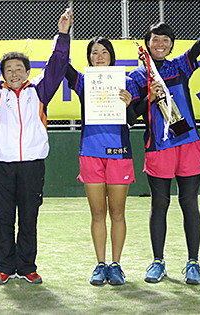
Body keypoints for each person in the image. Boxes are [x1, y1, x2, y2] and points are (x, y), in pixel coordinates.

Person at [128, 0, 200, 285]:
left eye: (166, 40)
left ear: (171, 45)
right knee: (160, 205)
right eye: (156, 39)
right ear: (147, 43)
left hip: (188, 144)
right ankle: (158, 262)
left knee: (190, 203)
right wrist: (147, 98)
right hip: (158, 148)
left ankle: (193, 263)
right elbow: (130, 116)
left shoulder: (181, 65)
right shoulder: (136, 76)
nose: (161, 44)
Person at [0, 9, 72, 285]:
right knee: (4, 218)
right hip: (2, 165)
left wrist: (63, 34)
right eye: (9, 70)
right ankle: (5, 267)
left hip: (33, 164)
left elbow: (57, 64)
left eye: (20, 69)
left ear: (28, 72)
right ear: (3, 74)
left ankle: (27, 266)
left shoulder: (39, 91)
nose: (15, 73)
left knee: (29, 218)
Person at [65, 37, 136, 286]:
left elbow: (133, 120)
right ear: (89, 58)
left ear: (112, 56)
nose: (99, 56)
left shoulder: (126, 82)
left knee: (117, 213)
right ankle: (100, 264)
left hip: (119, 154)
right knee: (97, 214)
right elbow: (62, 64)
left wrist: (128, 105)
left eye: (104, 52)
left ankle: (116, 265)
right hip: (91, 153)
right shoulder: (83, 82)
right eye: (94, 53)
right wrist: (63, 34)